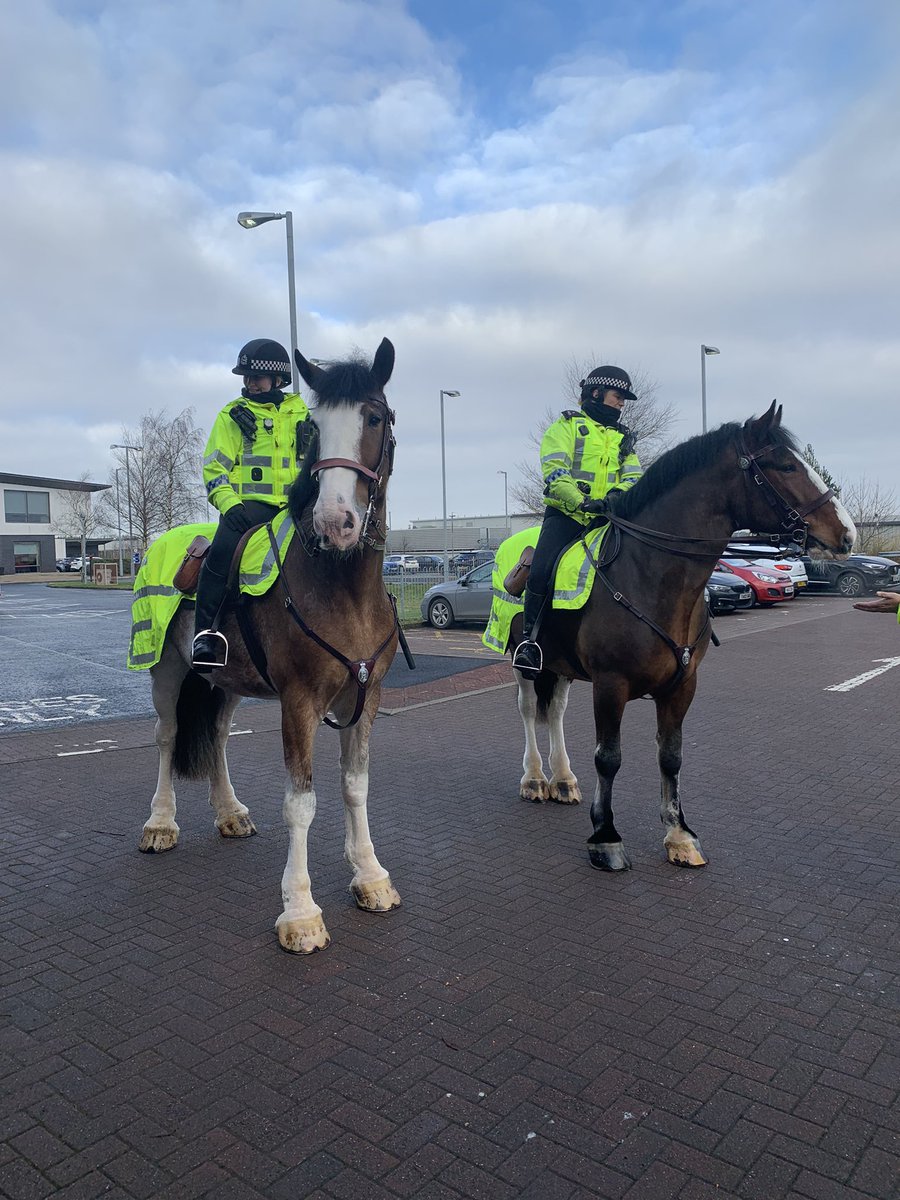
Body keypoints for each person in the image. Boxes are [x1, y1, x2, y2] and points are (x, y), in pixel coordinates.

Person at [512, 365, 643, 677]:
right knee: (542, 571)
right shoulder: (565, 427)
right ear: (596, 394)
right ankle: (530, 644)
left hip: (607, 519)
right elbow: (556, 473)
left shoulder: (623, 439)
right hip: (567, 516)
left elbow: (634, 476)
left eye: (624, 398)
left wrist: (615, 498)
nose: (622, 402)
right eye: (618, 395)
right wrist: (581, 501)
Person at [192, 338, 313, 670]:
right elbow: (214, 468)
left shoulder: (302, 413)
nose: (249, 383)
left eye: (255, 378)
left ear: (277, 380)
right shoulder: (232, 415)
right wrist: (230, 506)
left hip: (295, 508)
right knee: (220, 554)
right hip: (249, 509)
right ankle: (204, 634)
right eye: (246, 378)